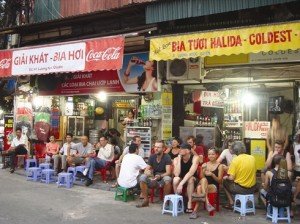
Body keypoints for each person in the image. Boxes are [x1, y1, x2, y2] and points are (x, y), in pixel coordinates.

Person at [137, 140, 172, 208]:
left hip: (163, 178)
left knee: (168, 179)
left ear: (163, 149)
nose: (156, 148)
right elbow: (147, 169)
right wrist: (147, 172)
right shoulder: (152, 157)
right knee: (142, 177)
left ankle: (166, 202)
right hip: (154, 178)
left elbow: (168, 172)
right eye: (155, 147)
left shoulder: (167, 157)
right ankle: (146, 200)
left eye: (158, 147)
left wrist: (160, 176)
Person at [222, 141, 257, 209]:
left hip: (241, 189)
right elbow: (254, 171)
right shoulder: (252, 158)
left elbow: (231, 178)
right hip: (253, 188)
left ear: (235, 150)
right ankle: (239, 201)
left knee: (224, 182)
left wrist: (226, 177)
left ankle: (231, 202)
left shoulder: (235, 160)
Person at [190, 148, 223, 219]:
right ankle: (207, 203)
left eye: (213, 154)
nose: (211, 156)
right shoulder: (205, 164)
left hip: (213, 186)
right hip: (204, 185)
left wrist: (212, 175)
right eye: (209, 154)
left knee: (199, 188)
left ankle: (195, 211)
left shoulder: (220, 166)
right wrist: (202, 170)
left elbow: (220, 181)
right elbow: (201, 178)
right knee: (203, 181)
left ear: (217, 155)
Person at [173, 143, 200, 213]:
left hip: (193, 179)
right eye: (180, 148)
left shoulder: (195, 158)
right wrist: (179, 160)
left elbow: (191, 172)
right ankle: (178, 201)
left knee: (190, 179)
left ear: (188, 151)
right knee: (175, 179)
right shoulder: (176, 159)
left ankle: (189, 203)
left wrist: (181, 184)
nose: (179, 150)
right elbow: (176, 174)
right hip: (181, 179)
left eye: (182, 149)